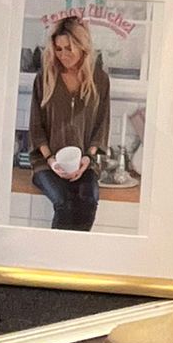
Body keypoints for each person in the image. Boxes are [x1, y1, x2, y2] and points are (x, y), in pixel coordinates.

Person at [28, 16, 110, 232]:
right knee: (64, 203)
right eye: (58, 49)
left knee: (88, 202)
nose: (63, 55)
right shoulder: (44, 78)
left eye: (68, 49)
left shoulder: (100, 80)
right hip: (47, 162)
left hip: (84, 161)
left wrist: (87, 158)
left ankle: (75, 252)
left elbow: (102, 124)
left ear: (83, 47)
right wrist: (51, 160)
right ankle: (55, 253)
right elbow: (36, 127)